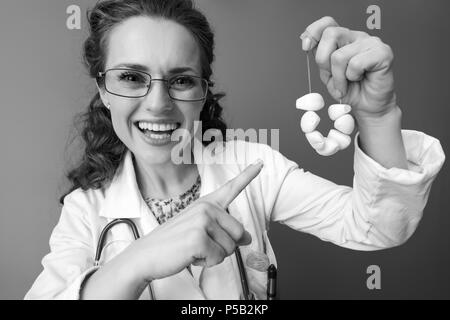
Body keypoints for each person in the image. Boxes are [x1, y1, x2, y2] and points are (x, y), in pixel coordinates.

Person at [25, 0, 445, 300]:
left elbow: (378, 227)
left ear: (203, 90)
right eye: (132, 78)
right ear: (104, 89)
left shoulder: (252, 166)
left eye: (181, 79)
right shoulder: (85, 211)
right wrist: (137, 261)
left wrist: (377, 114)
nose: (158, 104)